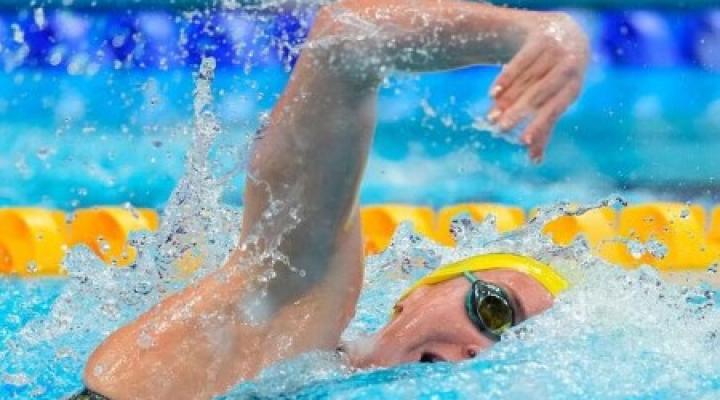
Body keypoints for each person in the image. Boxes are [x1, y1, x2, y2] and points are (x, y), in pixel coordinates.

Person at [75, 0, 589, 399]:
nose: (479, 352)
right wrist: (536, 32)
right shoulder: (289, 315)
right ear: (418, 292)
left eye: (512, 353)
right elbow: (344, 43)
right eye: (495, 311)